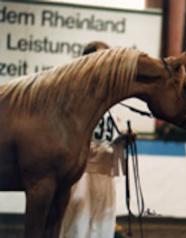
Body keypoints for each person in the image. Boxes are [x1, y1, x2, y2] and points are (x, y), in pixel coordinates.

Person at [60, 42, 127, 238]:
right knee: (76, 226)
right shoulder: (73, 93)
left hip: (105, 173)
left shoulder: (114, 97)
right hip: (80, 173)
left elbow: (116, 128)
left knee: (103, 227)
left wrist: (125, 138)